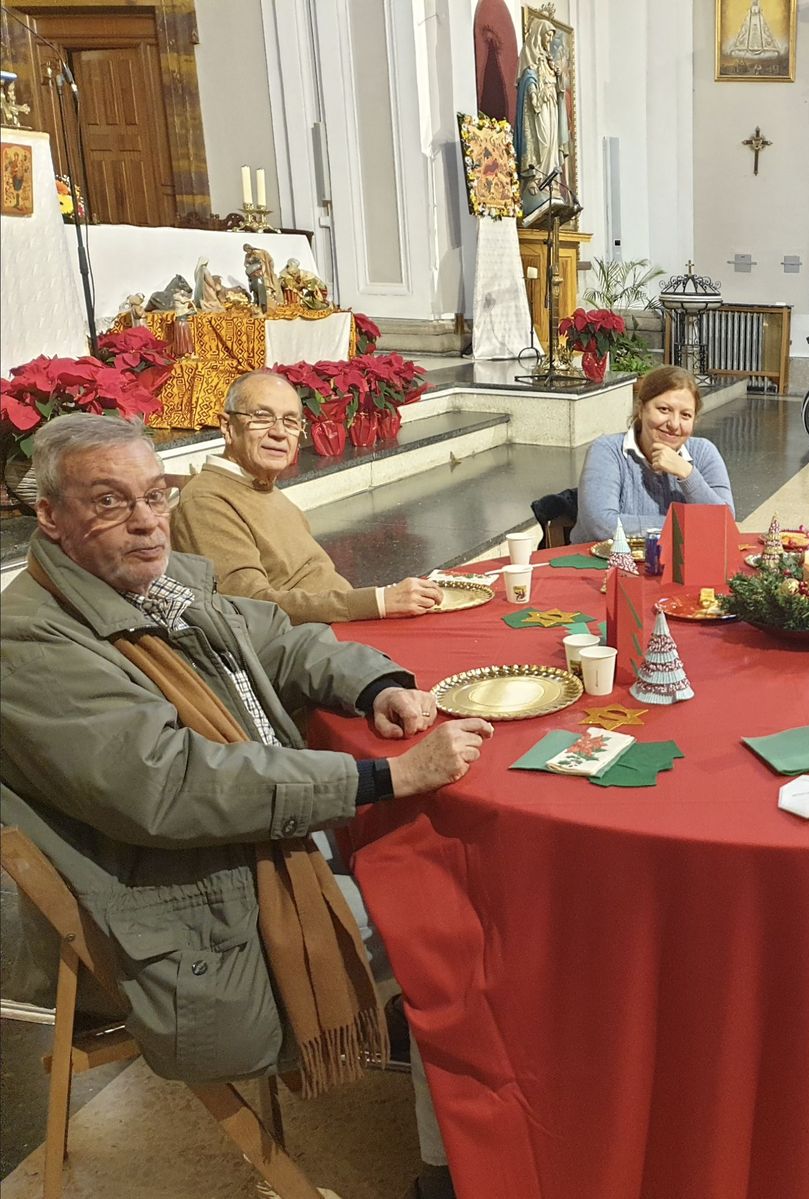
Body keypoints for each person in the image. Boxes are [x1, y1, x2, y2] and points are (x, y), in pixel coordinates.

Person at [0, 413, 493, 1199]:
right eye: (109, 501)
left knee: (445, 849)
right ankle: (452, 1173)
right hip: (194, 925)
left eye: (156, 496)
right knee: (460, 912)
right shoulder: (30, 644)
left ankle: (425, 1046)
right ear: (48, 516)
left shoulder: (156, 585)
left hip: (247, 861)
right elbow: (175, 786)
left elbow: (282, 640)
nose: (146, 522)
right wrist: (377, 780)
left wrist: (376, 685)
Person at [171, 371, 443, 625]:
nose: (279, 433)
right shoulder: (207, 500)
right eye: (262, 417)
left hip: (346, 627)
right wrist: (377, 602)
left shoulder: (261, 485)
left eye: (290, 422)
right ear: (228, 427)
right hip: (312, 649)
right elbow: (249, 604)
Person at [573, 365, 735, 543]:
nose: (674, 424)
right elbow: (601, 526)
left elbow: (725, 524)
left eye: (686, 415)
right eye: (664, 409)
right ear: (641, 409)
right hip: (605, 566)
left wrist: (687, 474)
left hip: (677, 568)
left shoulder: (704, 452)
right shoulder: (607, 450)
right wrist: (693, 525)